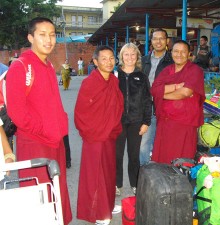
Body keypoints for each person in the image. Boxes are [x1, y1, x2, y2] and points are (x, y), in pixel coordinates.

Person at [5, 17, 72, 224]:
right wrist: (43, 129)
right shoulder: (21, 66)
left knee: (56, 193)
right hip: (35, 142)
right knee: (39, 198)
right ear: (30, 37)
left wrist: (60, 123)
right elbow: (17, 112)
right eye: (42, 34)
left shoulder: (49, 65)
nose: (49, 39)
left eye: (52, 35)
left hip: (55, 140)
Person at [75, 46, 124, 225]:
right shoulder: (89, 83)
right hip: (95, 135)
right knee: (96, 175)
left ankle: (108, 205)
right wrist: (93, 131)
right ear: (95, 62)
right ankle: (97, 213)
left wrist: (111, 125)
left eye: (111, 58)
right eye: (104, 59)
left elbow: (117, 105)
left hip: (110, 133)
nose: (109, 62)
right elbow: (81, 113)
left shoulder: (113, 80)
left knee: (108, 172)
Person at [150, 40, 205, 164]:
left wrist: (162, 95)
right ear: (171, 52)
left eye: (183, 51)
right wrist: (175, 87)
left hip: (184, 123)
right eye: (176, 51)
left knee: (181, 158)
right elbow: (154, 90)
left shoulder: (195, 70)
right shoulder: (167, 70)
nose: (179, 54)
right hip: (165, 122)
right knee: (163, 158)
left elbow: (185, 92)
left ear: (189, 54)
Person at [115, 43, 152, 196]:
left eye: (133, 54)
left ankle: (135, 183)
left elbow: (147, 100)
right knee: (117, 155)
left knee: (134, 155)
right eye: (126, 54)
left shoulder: (142, 76)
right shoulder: (115, 75)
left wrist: (146, 122)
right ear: (121, 56)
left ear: (137, 57)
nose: (129, 57)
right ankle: (116, 184)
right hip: (118, 122)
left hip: (136, 121)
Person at [140, 28, 173, 165]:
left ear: (167, 41)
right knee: (144, 146)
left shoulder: (172, 60)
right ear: (151, 41)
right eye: (155, 38)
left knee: (164, 143)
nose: (158, 41)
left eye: (161, 38)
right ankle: (145, 175)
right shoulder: (143, 60)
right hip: (146, 108)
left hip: (165, 107)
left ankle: (162, 174)